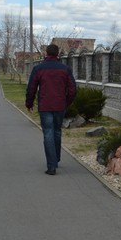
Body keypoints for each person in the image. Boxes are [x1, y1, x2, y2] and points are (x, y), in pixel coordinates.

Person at [26, 44, 77, 175]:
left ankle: (51, 166)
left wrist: (29, 103)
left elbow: (31, 87)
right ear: (57, 54)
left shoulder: (39, 69)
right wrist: (67, 102)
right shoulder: (65, 69)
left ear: (46, 53)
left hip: (45, 105)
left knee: (48, 132)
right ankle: (56, 159)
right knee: (57, 131)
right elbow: (72, 90)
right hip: (60, 105)